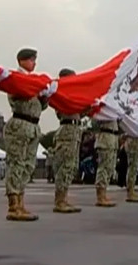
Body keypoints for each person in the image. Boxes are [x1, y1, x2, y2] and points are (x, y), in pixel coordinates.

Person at [4, 48, 49, 221]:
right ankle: (13, 205)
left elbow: (39, 106)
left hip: (33, 126)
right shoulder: (17, 78)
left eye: (34, 60)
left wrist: (44, 96)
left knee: (28, 165)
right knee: (17, 164)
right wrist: (35, 89)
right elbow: (18, 95)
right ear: (21, 60)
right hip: (20, 124)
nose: (34, 63)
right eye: (31, 60)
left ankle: (21, 202)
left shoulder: (33, 81)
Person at [52, 68, 85, 213]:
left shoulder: (73, 94)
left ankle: (64, 198)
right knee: (65, 166)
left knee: (71, 166)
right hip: (67, 130)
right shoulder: (61, 93)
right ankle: (59, 200)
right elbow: (63, 111)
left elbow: (79, 112)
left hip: (75, 131)